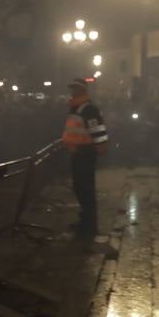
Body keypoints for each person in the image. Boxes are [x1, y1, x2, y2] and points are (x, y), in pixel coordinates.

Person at [62, 80, 109, 240]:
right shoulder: (77, 107)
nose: (72, 91)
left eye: (74, 88)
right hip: (78, 152)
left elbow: (98, 130)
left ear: (82, 89)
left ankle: (89, 225)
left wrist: (100, 147)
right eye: (72, 88)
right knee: (80, 187)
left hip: (85, 153)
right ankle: (85, 221)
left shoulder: (87, 108)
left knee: (85, 189)